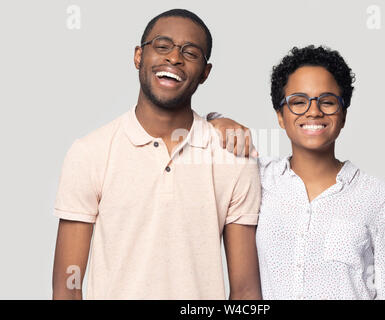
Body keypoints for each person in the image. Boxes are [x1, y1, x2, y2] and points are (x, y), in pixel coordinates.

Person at [52, 9, 262, 300]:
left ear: (205, 72)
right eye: (162, 46)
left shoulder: (234, 157)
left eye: (190, 52)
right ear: (138, 56)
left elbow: (246, 291)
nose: (174, 58)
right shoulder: (90, 153)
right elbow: (67, 288)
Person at [212, 45, 385, 299]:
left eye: (327, 101)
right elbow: (199, 137)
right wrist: (216, 120)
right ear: (280, 117)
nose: (314, 111)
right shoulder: (258, 179)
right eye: (298, 102)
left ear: (343, 115)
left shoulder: (379, 198)